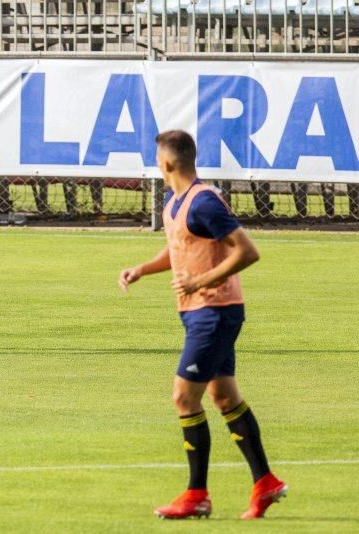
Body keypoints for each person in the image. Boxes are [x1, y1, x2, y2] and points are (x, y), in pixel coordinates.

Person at [119, 130, 287, 520]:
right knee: (224, 397)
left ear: (167, 163)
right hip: (199, 313)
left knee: (184, 398)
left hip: (215, 314)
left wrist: (201, 282)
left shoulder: (205, 202)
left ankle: (197, 495)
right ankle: (265, 483)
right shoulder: (174, 202)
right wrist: (143, 269)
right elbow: (180, 246)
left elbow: (247, 251)